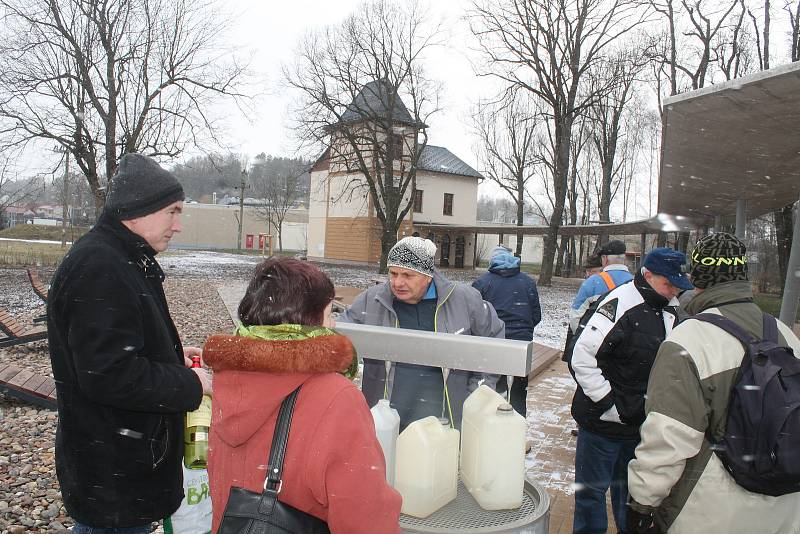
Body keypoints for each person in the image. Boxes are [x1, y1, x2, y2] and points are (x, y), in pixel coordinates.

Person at [47, 153, 212, 532]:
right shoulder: (101, 265)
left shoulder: (119, 257)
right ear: (139, 210)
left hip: (115, 466)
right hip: (113, 471)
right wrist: (191, 383)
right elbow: (109, 374)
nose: (179, 225)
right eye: (173, 212)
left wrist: (171, 355)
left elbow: (116, 347)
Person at [204, 257, 401, 533]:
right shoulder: (335, 396)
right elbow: (363, 514)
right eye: (330, 313)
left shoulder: (229, 380)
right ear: (309, 321)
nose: (333, 325)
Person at [627, 233, 800, 533]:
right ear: (744, 274)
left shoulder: (689, 339)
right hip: (783, 508)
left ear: (698, 279)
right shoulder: (785, 334)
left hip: (710, 512)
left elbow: (669, 438)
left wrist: (642, 505)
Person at [566, 247, 692, 534]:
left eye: (677, 285)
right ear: (647, 275)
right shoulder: (619, 303)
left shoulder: (669, 307)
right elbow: (581, 358)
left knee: (632, 498)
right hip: (603, 425)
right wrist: (611, 406)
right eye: (668, 284)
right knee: (591, 496)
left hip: (639, 424)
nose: (674, 291)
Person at [340, 236, 505, 429]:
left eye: (407, 275)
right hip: (387, 421)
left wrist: (478, 392)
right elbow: (338, 339)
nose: (397, 283)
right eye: (393, 273)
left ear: (428, 276)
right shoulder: (372, 300)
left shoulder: (464, 300)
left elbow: (494, 341)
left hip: (446, 421)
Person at [472, 245, 541, 416]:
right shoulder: (527, 282)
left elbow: (473, 316)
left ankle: (490, 428)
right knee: (517, 391)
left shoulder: (482, 283)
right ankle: (517, 428)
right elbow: (536, 315)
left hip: (493, 344)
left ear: (492, 262)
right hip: (520, 346)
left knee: (490, 389)